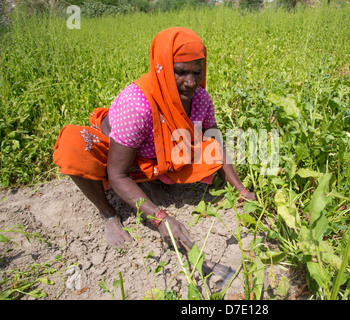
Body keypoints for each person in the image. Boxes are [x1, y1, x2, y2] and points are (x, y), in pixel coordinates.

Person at [53, 27, 255, 249]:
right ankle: (108, 214)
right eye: (180, 72)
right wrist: (160, 218)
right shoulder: (137, 104)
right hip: (118, 157)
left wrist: (242, 191)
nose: (190, 82)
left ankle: (152, 180)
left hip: (156, 156)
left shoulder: (200, 98)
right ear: (164, 67)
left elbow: (214, 142)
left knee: (207, 146)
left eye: (197, 73)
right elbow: (117, 173)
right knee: (73, 149)